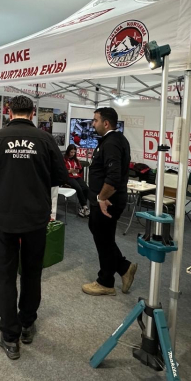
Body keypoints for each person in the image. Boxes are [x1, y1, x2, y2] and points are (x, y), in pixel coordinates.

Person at [0, 95, 68, 360]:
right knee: (31, 272)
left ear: (8, 111)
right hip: (35, 218)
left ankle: (10, 336)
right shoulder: (45, 139)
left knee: (5, 275)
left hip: (4, 217)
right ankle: (27, 324)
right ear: (33, 112)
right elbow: (61, 176)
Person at [82, 107, 138, 297]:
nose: (93, 124)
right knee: (103, 237)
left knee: (103, 239)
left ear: (106, 123)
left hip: (107, 202)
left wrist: (102, 198)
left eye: (95, 120)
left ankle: (106, 281)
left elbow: (113, 177)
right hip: (105, 200)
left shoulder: (112, 142)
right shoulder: (114, 140)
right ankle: (123, 267)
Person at [64, 144, 90, 217]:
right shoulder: (64, 159)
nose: (72, 154)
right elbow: (61, 170)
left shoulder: (76, 160)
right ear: (68, 151)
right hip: (68, 177)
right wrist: (69, 171)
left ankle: (82, 206)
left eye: (74, 152)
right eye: (71, 152)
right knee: (78, 188)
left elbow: (79, 169)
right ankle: (84, 206)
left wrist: (77, 170)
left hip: (76, 176)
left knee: (86, 188)